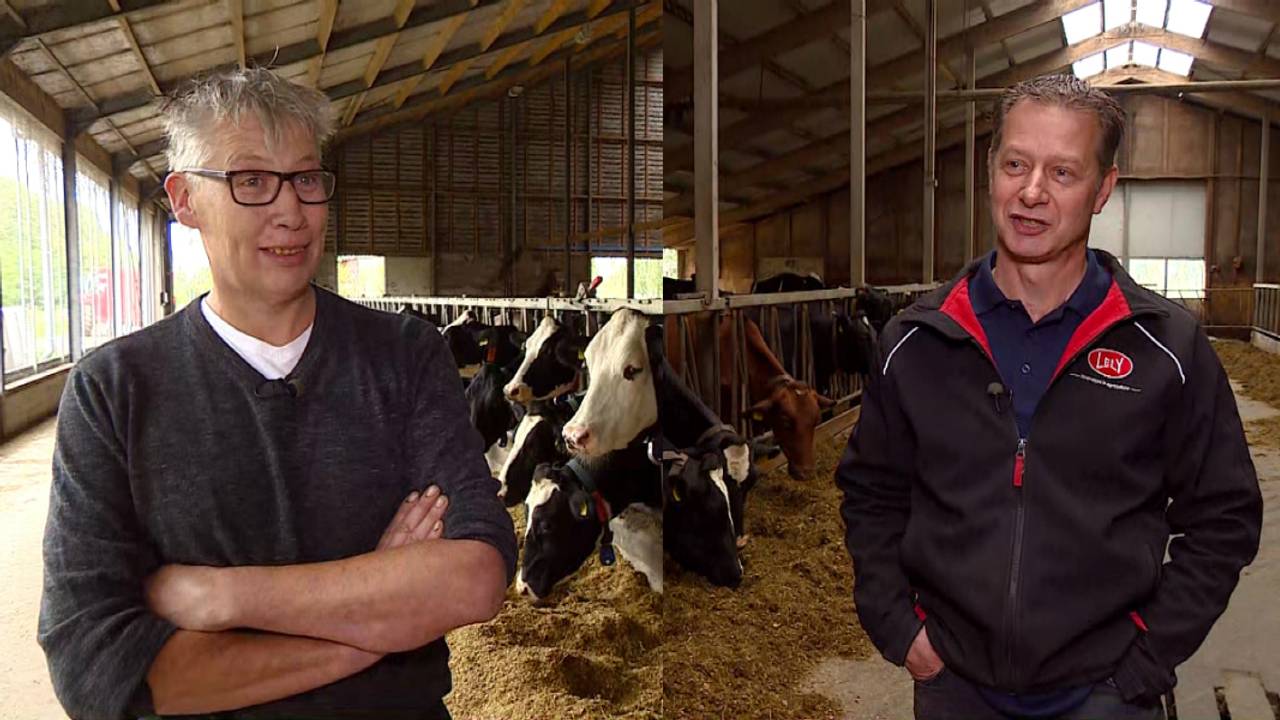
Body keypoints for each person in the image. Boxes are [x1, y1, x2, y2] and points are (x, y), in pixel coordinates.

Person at [38, 67, 516, 720]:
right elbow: (98, 669)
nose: (291, 211)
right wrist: (372, 631)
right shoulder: (114, 391)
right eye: (252, 181)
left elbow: (476, 577)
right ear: (184, 201)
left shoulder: (405, 354)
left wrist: (223, 598)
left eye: (307, 179)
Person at [836, 74, 1262, 719]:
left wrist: (1148, 657)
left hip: (1106, 693)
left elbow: (1225, 517)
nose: (1031, 192)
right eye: (1016, 164)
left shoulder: (1166, 346)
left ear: (1102, 190)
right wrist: (899, 626)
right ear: (990, 171)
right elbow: (871, 493)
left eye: (1063, 173)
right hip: (955, 687)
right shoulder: (915, 341)